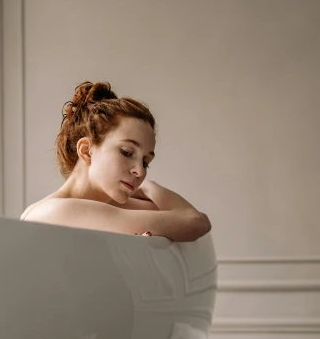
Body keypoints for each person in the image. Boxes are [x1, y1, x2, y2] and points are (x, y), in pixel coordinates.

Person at [20, 81, 211, 242]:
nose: (141, 172)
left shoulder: (114, 206)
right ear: (86, 151)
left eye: (146, 162)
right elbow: (194, 221)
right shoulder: (58, 211)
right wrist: (148, 187)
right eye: (127, 152)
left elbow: (192, 220)